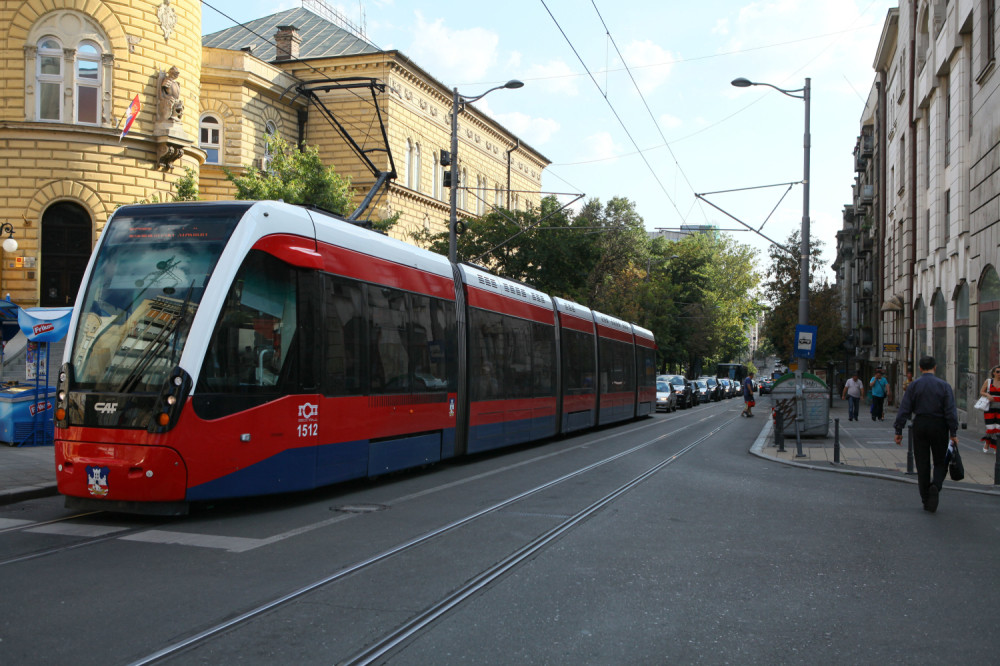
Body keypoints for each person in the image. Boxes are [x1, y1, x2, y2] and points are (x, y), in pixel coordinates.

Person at [893, 356, 959, 513]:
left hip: (920, 424)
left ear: (920, 368)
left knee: (922, 463)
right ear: (935, 367)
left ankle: (925, 499)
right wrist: (953, 432)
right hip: (939, 425)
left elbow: (905, 408)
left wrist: (898, 430)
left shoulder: (914, 385)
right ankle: (935, 485)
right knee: (940, 461)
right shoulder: (944, 386)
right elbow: (950, 410)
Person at [978, 365, 1000, 454]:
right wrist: (988, 395)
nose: (999, 374)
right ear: (994, 373)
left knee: (998, 428)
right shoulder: (989, 381)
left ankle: (996, 447)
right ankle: (987, 443)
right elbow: (981, 392)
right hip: (989, 408)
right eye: (998, 372)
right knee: (990, 428)